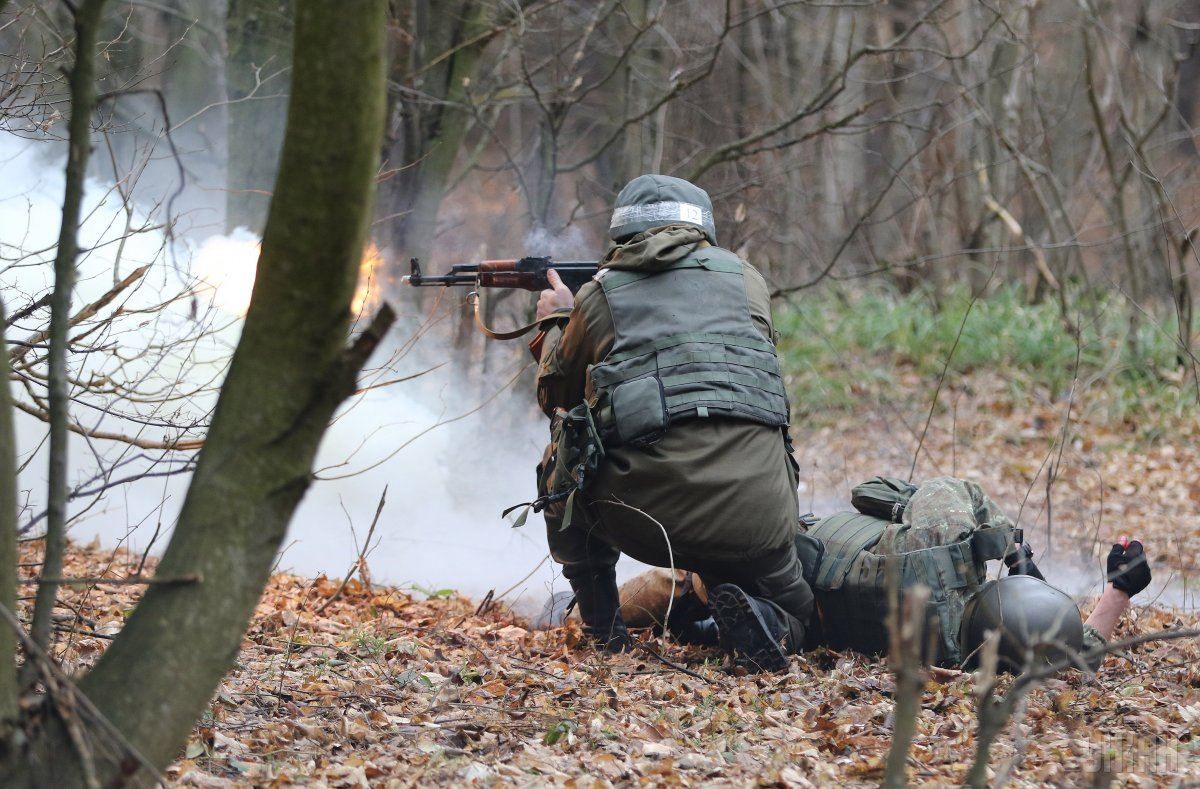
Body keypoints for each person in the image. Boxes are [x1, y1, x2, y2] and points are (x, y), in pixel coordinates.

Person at [529, 174, 812, 672]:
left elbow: (556, 398)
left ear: (621, 233)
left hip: (646, 524)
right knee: (803, 612)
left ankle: (604, 632)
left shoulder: (600, 295)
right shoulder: (749, 281)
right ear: (702, 227)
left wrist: (557, 319)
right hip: (762, 516)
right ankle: (771, 618)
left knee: (562, 451)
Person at [545, 476, 1153, 673]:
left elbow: (888, 491)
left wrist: (1007, 544)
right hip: (823, 618)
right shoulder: (958, 655)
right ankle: (759, 632)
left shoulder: (941, 542)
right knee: (760, 605)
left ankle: (578, 616)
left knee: (684, 580)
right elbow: (1077, 651)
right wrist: (1118, 591)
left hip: (799, 556)